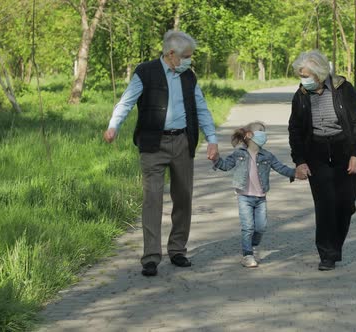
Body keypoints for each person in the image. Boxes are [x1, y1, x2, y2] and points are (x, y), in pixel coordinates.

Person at [103, 30, 219, 277]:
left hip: (182, 142)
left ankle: (177, 250)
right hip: (152, 144)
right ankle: (151, 257)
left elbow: (201, 108)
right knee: (152, 198)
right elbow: (126, 101)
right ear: (171, 54)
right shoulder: (145, 72)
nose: (190, 60)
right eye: (186, 56)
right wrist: (114, 125)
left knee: (183, 197)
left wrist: (212, 139)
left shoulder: (189, 76)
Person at [288, 50, 356, 271]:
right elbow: (294, 130)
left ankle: (335, 245)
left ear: (320, 73)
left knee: (345, 204)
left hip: (344, 150)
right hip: (317, 153)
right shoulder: (302, 95)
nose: (303, 80)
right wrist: (300, 161)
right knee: (324, 205)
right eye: (301, 75)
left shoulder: (344, 89)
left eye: (306, 75)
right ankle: (327, 254)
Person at [212, 121, 297, 268]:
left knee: (261, 227)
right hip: (244, 197)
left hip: (260, 198)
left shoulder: (268, 156)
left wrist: (295, 173)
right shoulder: (239, 154)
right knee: (248, 227)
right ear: (249, 135)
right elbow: (225, 166)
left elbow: (281, 168)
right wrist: (216, 159)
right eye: (260, 131)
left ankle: (253, 246)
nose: (263, 134)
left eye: (264, 131)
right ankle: (247, 255)